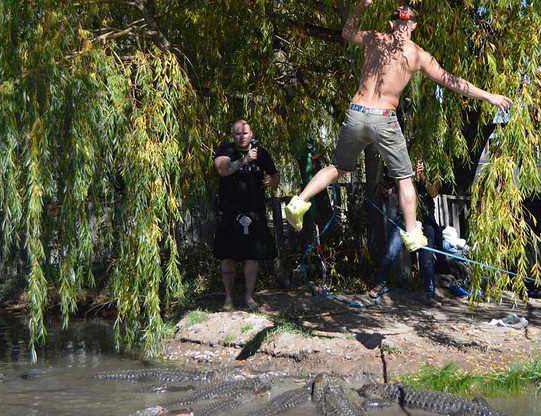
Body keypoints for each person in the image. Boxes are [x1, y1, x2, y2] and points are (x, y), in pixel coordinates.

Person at [284, 1, 512, 252]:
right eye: (404, 23)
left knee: (338, 167)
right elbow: (453, 82)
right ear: (409, 25)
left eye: (403, 23)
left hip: (356, 113)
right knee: (404, 179)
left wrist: (360, 7)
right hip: (384, 117)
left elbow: (347, 33)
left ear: (398, 24)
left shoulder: (374, 38)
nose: (403, 26)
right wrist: (490, 96)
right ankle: (413, 235)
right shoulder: (419, 55)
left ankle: (298, 202)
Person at [213, 119, 280, 310]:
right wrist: (245, 160)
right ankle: (228, 298)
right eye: (237, 134)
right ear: (233, 135)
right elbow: (222, 170)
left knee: (253, 256)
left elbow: (276, 177)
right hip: (229, 212)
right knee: (228, 256)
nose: (241, 137)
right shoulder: (226, 150)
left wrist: (271, 179)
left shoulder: (262, 153)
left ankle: (249, 298)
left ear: (251, 134)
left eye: (245, 133)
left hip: (254, 212)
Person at [368, 160, 444, 308]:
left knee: (427, 260)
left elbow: (434, 192)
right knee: (390, 253)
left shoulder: (435, 170)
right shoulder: (404, 165)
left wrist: (422, 178)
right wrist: (410, 176)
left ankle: (430, 296)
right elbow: (399, 183)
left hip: (426, 220)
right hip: (403, 218)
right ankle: (379, 284)